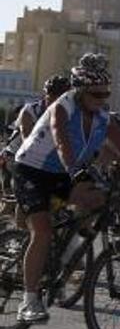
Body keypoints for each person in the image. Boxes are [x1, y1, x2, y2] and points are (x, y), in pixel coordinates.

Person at [11, 53, 120, 323]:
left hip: (61, 173)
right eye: (96, 94)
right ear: (81, 91)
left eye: (106, 94)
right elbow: (61, 140)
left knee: (96, 199)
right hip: (32, 170)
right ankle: (28, 301)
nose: (102, 99)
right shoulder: (64, 107)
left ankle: (65, 253)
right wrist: (74, 171)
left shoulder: (101, 115)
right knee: (43, 230)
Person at [5, 76, 72, 226]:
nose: (55, 102)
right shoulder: (30, 110)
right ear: (45, 94)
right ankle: (21, 233)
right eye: (52, 96)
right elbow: (28, 140)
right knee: (30, 194)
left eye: (62, 98)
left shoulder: (69, 114)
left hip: (46, 160)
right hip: (17, 155)